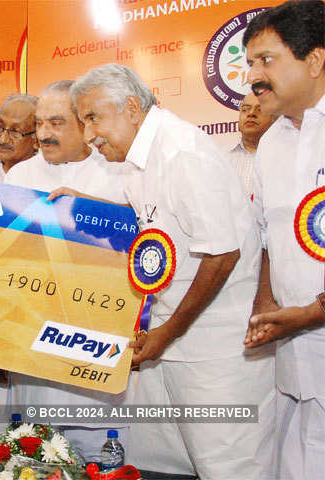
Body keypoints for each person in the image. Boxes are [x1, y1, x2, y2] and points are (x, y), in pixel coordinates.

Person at [71, 63, 275, 479]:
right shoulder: (137, 162)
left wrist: (170, 331)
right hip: (170, 344)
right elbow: (159, 230)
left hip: (215, 350)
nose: (88, 135)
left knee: (230, 467)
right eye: (82, 121)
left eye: (93, 118)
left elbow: (223, 254)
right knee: (163, 466)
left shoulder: (182, 152)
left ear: (130, 107)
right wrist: (78, 207)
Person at [4, 80, 128, 463]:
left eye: (56, 123)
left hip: (93, 360)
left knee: (96, 461)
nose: (43, 134)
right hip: (31, 358)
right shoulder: (18, 178)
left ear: (84, 123)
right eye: (40, 123)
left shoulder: (118, 175)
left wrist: (96, 212)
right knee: (30, 462)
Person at [241, 2, 325, 478]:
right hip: (293, 352)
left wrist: (314, 313)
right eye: (250, 62)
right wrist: (267, 308)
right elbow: (271, 240)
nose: (253, 76)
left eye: (266, 60)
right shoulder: (273, 142)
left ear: (313, 61)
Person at [227, 93, 276, 198]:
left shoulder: (284, 157)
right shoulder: (223, 159)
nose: (251, 113)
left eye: (260, 109)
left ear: (275, 119)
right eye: (245, 110)